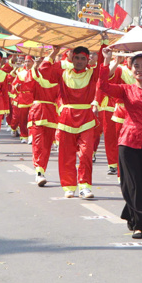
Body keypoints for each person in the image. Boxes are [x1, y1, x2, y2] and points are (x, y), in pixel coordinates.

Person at [97, 46, 142, 238]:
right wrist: (106, 61)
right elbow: (103, 87)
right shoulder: (125, 89)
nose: (139, 69)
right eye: (136, 66)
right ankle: (139, 222)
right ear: (130, 69)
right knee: (129, 183)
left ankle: (133, 214)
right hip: (128, 141)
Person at [39, 46, 101, 198]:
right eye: (77, 58)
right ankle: (69, 187)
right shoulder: (62, 72)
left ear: (88, 61)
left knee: (86, 154)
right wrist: (55, 51)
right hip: (67, 117)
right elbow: (43, 69)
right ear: (72, 58)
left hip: (86, 118)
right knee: (66, 155)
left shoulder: (92, 74)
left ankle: (85, 186)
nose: (79, 61)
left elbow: (103, 68)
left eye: (83, 58)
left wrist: (104, 44)